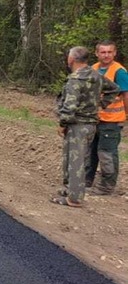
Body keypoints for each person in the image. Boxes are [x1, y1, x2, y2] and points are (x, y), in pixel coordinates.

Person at [53, 46, 119, 207]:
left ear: (72, 59)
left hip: (77, 124)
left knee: (76, 161)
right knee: (74, 157)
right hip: (91, 124)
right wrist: (101, 104)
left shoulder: (75, 80)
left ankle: (74, 198)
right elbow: (114, 89)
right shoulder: (95, 75)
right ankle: (70, 188)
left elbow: (69, 107)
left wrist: (63, 124)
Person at [88, 40, 128, 195]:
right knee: (90, 151)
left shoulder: (119, 72)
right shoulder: (93, 69)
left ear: (115, 53)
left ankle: (107, 186)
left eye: (109, 52)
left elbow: (126, 95)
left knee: (107, 153)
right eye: (103, 52)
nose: (106, 55)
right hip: (94, 119)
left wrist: (126, 116)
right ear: (96, 53)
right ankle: (87, 180)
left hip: (111, 121)